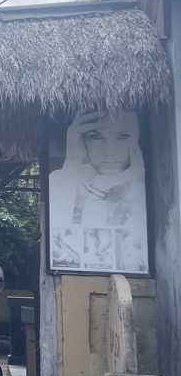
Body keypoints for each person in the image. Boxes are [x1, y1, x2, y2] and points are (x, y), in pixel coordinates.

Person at [49, 109, 147, 273]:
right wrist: (72, 164)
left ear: (137, 140)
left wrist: (134, 181)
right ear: (80, 141)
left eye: (123, 137)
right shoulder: (61, 182)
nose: (110, 152)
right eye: (95, 137)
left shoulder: (150, 192)